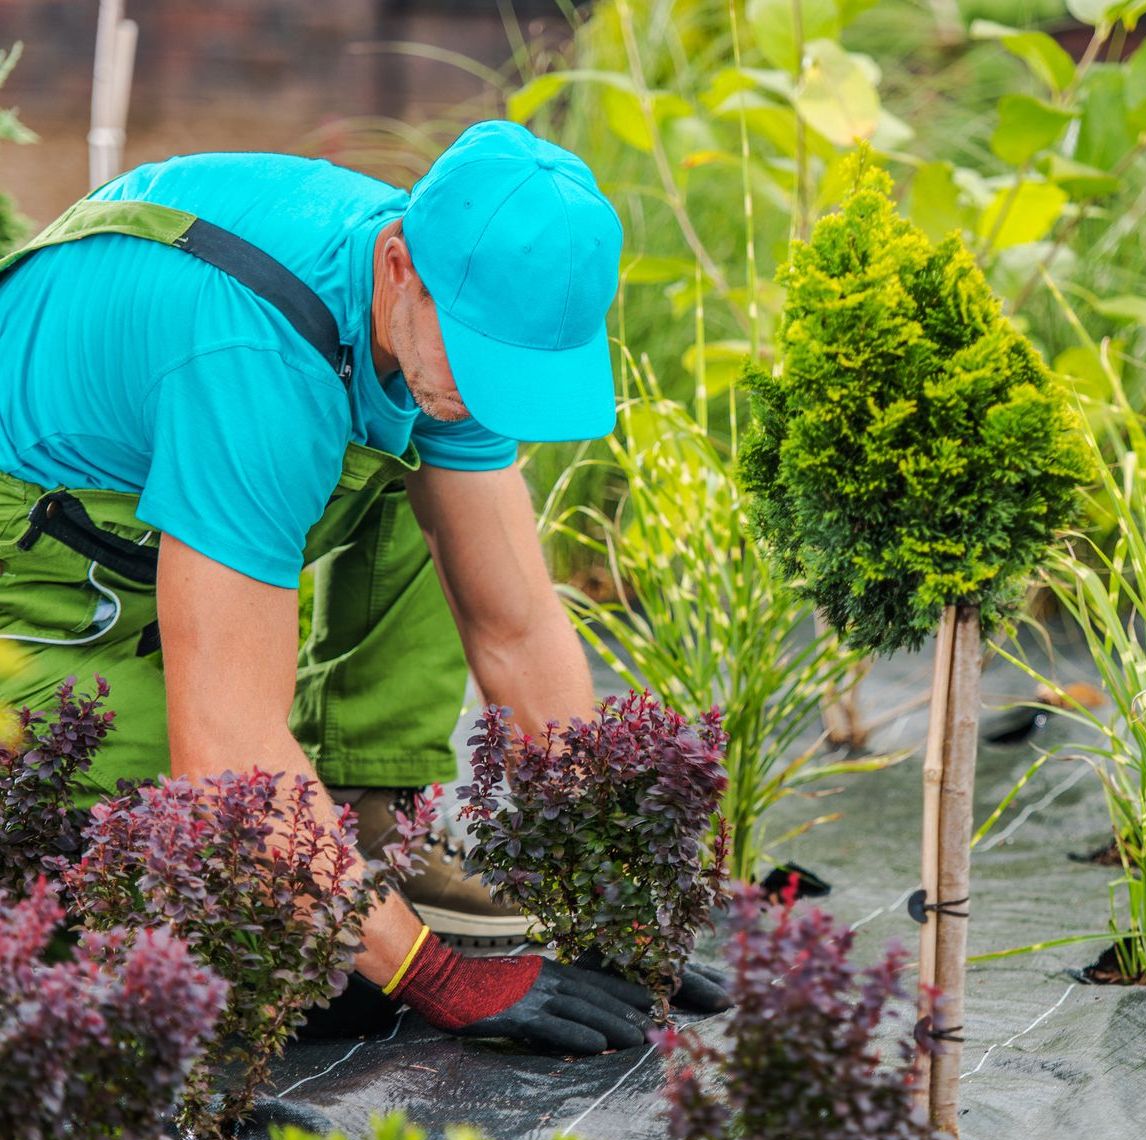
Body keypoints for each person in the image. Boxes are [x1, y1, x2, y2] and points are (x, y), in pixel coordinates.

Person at [0, 120, 716, 1053]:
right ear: (397, 268)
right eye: (480, 359)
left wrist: (607, 897)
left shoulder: (446, 311)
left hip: (168, 497)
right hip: (40, 569)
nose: (488, 394)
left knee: (438, 484)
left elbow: (515, 626)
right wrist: (437, 976)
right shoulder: (255, 360)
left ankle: (366, 818)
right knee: (211, 937)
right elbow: (228, 752)